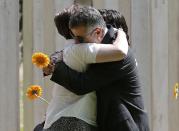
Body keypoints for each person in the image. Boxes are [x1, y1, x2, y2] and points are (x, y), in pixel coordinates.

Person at [50, 6, 150, 131]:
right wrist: (54, 58)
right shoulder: (103, 49)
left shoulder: (118, 56)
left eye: (79, 38)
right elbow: (68, 53)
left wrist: (55, 67)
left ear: (98, 31)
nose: (76, 42)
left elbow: (82, 84)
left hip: (126, 126)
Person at [34, 5, 128, 131]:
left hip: (58, 119)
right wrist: (120, 32)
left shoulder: (69, 51)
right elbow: (120, 50)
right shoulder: (83, 49)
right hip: (73, 121)